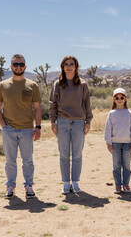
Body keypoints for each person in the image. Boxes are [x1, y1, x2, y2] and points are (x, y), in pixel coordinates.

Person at [0, 54, 42, 199]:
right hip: (9, 129)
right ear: (11, 67)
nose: (18, 67)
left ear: (25, 67)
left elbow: (37, 108)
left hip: (27, 129)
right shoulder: (2, 86)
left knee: (28, 160)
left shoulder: (32, 85)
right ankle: (10, 186)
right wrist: (3, 125)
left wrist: (38, 127)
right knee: (10, 160)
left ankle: (29, 186)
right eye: (15, 64)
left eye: (21, 64)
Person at [49, 55, 93, 194]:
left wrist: (88, 121)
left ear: (76, 67)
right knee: (64, 154)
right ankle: (66, 183)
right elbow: (52, 104)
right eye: (66, 64)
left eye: (71, 64)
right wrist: (53, 122)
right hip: (62, 121)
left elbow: (87, 103)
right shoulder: (58, 84)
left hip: (79, 122)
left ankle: (75, 182)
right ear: (63, 67)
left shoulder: (82, 84)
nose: (69, 66)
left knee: (77, 154)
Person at [104, 88, 131, 194]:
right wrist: (108, 142)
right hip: (115, 144)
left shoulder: (129, 113)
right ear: (114, 99)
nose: (119, 99)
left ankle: (126, 185)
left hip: (128, 143)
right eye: (117, 97)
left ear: (125, 99)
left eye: (121, 97)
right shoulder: (111, 113)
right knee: (116, 165)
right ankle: (118, 185)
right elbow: (108, 128)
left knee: (127, 165)